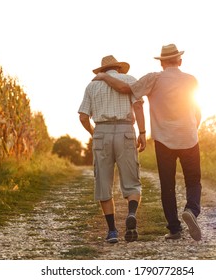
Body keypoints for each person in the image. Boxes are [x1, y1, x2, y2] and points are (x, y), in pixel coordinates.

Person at [93, 44, 202, 241]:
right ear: (180, 61)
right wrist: (193, 129)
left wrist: (104, 76)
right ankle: (192, 210)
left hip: (164, 140)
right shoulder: (191, 80)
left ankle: (175, 229)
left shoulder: (154, 78)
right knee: (193, 181)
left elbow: (125, 88)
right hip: (190, 138)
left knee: (167, 185)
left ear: (161, 63)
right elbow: (197, 110)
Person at [78, 55, 147, 243]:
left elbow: (83, 116)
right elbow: (139, 107)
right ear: (119, 69)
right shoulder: (130, 80)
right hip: (126, 130)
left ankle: (112, 231)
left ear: (102, 71)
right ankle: (131, 214)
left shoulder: (92, 85)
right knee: (132, 182)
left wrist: (94, 132)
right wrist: (142, 132)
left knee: (103, 183)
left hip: (102, 132)